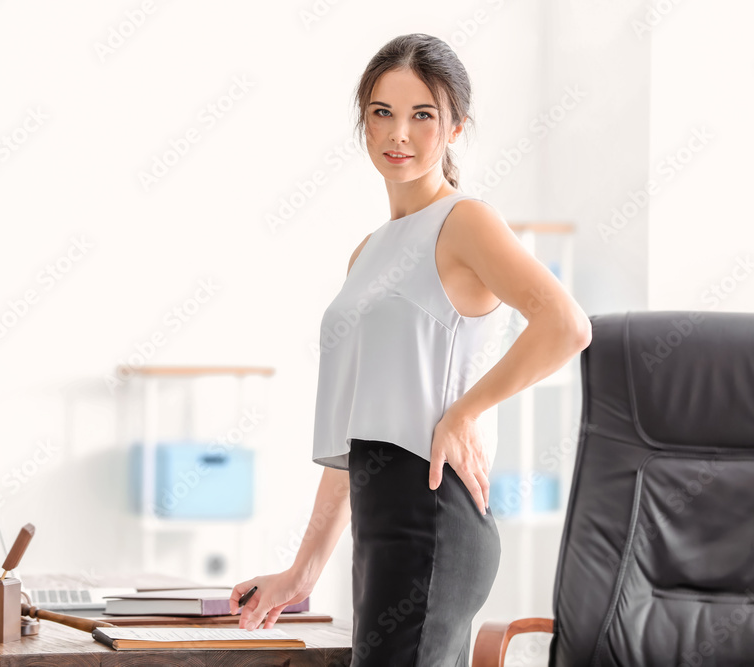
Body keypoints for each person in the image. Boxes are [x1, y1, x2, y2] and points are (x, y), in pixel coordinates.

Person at [228, 33, 593, 665]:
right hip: (380, 523)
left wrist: (464, 413)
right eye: (382, 112)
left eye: (423, 115)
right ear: (364, 122)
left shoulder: (466, 221)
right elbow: (357, 430)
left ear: (455, 128)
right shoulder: (366, 253)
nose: (399, 134)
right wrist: (302, 571)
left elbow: (566, 325)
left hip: (434, 514)